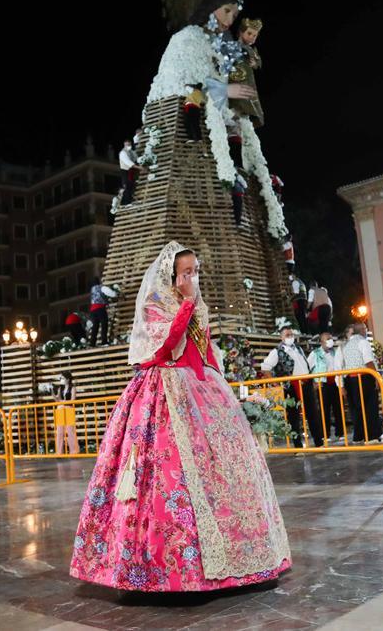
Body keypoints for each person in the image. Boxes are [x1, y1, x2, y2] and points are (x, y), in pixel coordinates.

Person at [71, 241, 289, 592]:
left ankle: (243, 559)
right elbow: (167, 347)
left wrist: (223, 390)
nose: (192, 278)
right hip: (164, 391)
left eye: (196, 271)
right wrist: (187, 303)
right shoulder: (156, 303)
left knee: (222, 472)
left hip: (201, 391)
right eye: (186, 272)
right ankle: (160, 571)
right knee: (165, 474)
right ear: (171, 275)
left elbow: (203, 350)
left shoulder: (197, 304)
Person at [261, 326, 318, 447]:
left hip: (306, 382)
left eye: (291, 334)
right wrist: (275, 383)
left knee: (312, 412)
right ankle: (298, 446)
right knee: (293, 416)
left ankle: (319, 442)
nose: (290, 337)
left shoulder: (298, 349)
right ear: (281, 337)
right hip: (291, 385)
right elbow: (265, 368)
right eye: (287, 335)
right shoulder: (277, 351)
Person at [340, 323, 383, 443]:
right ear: (362, 330)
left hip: (351, 379)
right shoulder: (363, 342)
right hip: (364, 377)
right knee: (370, 406)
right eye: (365, 328)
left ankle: (359, 435)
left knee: (357, 408)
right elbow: (369, 361)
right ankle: (371, 436)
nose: (366, 330)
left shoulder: (346, 345)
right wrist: (376, 378)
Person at [307, 332, 345, 444]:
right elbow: (307, 366)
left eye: (331, 338)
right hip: (323, 384)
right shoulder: (315, 353)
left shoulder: (335, 351)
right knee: (324, 410)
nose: (330, 340)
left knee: (338, 408)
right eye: (327, 339)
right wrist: (313, 381)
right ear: (321, 342)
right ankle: (325, 434)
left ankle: (340, 432)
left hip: (335, 382)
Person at [228, 17, 264, 126]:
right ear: (241, 32)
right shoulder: (233, 46)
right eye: (249, 33)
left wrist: (255, 64)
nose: (252, 38)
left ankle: (245, 122)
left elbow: (259, 61)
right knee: (237, 104)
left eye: (255, 35)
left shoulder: (252, 51)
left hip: (248, 80)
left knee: (248, 101)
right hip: (235, 79)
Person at [54, 372, 80, 455]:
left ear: (68, 379)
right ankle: (59, 452)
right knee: (59, 431)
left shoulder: (72, 388)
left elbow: (73, 399)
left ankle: (74, 451)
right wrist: (54, 395)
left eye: (62, 378)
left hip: (69, 408)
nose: (61, 380)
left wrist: (63, 401)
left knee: (70, 430)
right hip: (60, 409)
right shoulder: (60, 388)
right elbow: (57, 400)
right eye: (60, 378)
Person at [118, 139, 144, 206]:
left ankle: (130, 201)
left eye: (129, 145)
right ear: (124, 145)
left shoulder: (132, 152)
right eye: (127, 145)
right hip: (125, 171)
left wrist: (141, 164)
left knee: (132, 185)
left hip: (132, 171)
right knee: (127, 186)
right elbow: (128, 163)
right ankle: (125, 203)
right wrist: (139, 168)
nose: (128, 146)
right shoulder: (122, 153)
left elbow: (136, 159)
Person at [89, 278, 112, 346]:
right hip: (100, 308)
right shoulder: (101, 287)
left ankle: (92, 342)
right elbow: (111, 293)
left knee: (95, 326)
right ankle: (104, 341)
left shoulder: (92, 289)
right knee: (104, 324)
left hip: (93, 309)